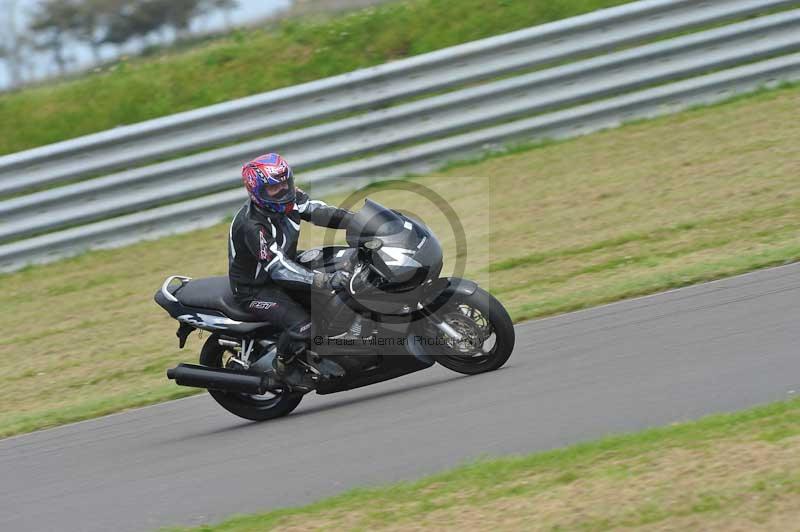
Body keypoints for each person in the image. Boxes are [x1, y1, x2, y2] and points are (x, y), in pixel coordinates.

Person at [228, 153, 352, 386]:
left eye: (286, 183)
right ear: (256, 191)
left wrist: (359, 221)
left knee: (346, 266)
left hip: (286, 264)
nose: (283, 190)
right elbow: (278, 269)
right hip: (256, 289)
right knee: (304, 325)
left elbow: (318, 211)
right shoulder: (252, 226)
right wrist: (324, 280)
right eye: (275, 188)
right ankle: (283, 365)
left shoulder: (291, 198)